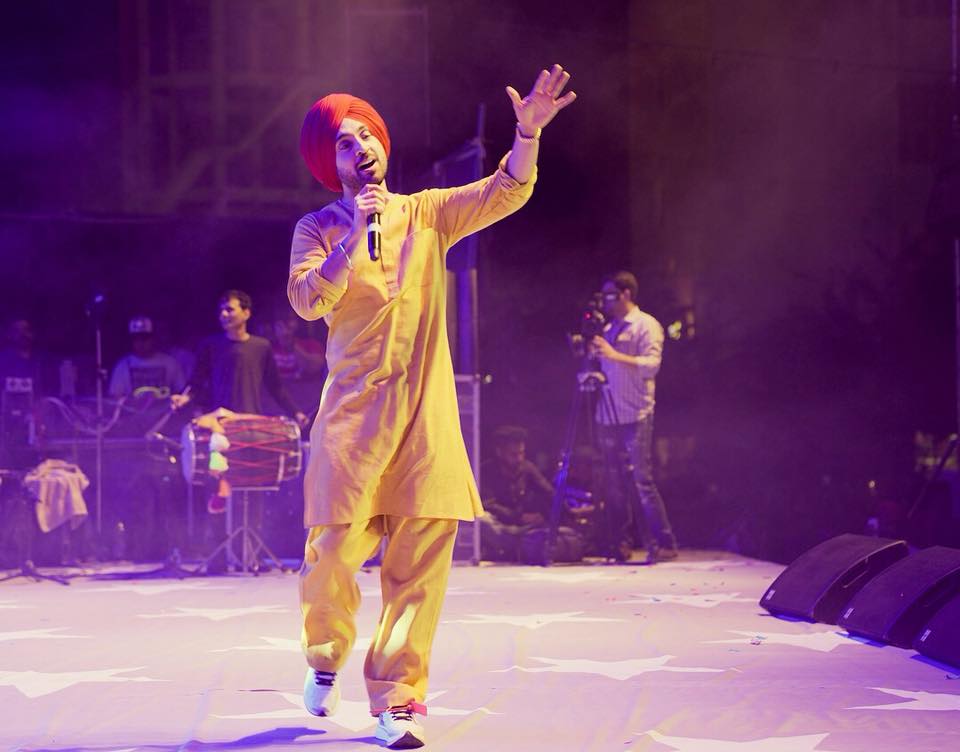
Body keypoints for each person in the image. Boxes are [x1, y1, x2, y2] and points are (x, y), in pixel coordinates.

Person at [289, 64, 575, 748]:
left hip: (422, 419)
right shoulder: (317, 228)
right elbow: (306, 301)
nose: (361, 147)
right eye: (345, 142)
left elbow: (505, 191)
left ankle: (399, 697)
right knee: (331, 556)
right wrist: (353, 238)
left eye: (366, 134)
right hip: (352, 423)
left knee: (419, 565)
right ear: (331, 164)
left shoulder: (427, 213)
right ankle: (324, 653)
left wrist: (527, 135)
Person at [590, 271, 679, 564]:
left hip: (636, 413)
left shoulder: (646, 325)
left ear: (626, 293)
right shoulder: (610, 327)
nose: (606, 301)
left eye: (610, 295)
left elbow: (651, 366)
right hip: (608, 413)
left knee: (641, 480)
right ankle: (620, 544)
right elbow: (606, 365)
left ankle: (664, 542)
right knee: (613, 482)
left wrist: (613, 354)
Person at [479, 425, 554, 561]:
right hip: (500, 526)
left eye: (521, 453)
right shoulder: (486, 471)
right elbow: (488, 505)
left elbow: (548, 492)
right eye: (514, 455)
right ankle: (519, 546)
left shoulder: (527, 468)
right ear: (499, 452)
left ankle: (521, 545)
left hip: (523, 528)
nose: (519, 458)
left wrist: (545, 514)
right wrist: (518, 517)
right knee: (481, 521)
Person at [108, 316, 185, 399]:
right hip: (132, 408)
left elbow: (182, 393)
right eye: (136, 338)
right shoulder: (122, 366)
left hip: (165, 407)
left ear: (153, 338)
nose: (140, 342)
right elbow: (115, 397)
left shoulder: (170, 363)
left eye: (145, 338)